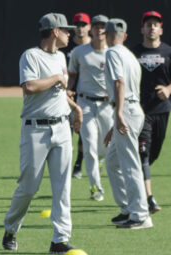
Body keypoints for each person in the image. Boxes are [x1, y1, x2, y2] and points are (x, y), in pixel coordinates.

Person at [1, 13, 82, 254]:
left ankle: (60, 239)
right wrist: (57, 77)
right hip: (36, 129)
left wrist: (75, 108)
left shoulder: (61, 57)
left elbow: (60, 93)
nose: (70, 33)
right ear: (55, 31)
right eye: (66, 30)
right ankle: (11, 228)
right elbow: (29, 87)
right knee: (28, 187)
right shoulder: (31, 55)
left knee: (62, 186)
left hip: (62, 127)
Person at [131, 11, 171, 213]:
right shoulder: (133, 52)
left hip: (162, 110)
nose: (152, 27)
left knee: (153, 155)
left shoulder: (170, 52)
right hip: (140, 111)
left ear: (161, 29)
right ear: (142, 29)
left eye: (155, 24)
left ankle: (139, 179)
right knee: (143, 154)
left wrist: (169, 89)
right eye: (148, 24)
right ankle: (148, 198)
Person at [103, 19, 153, 229]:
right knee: (113, 161)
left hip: (127, 111)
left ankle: (140, 215)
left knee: (129, 163)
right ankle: (127, 208)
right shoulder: (129, 54)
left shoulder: (112, 52)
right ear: (124, 35)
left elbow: (119, 82)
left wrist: (119, 114)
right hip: (133, 109)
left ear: (106, 34)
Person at [67, 14, 111, 201]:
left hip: (107, 105)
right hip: (85, 103)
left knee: (106, 148)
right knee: (89, 145)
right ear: (90, 29)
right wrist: (68, 91)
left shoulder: (114, 52)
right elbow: (72, 75)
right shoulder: (79, 52)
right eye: (96, 26)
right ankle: (96, 187)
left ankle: (101, 161)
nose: (99, 30)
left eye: (103, 27)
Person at [62, 12, 91, 180]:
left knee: (83, 132)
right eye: (77, 25)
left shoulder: (92, 48)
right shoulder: (65, 47)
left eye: (83, 25)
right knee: (67, 131)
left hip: (85, 96)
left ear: (89, 27)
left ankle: (79, 162)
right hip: (67, 94)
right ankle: (67, 165)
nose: (80, 28)